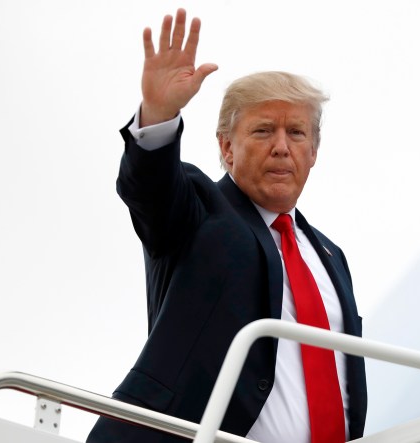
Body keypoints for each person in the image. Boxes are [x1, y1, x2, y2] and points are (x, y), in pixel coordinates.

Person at [87, 8, 366, 443]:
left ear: (314, 151)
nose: (281, 147)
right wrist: (158, 115)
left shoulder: (332, 257)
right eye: (262, 131)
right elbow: (150, 188)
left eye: (296, 133)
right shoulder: (200, 208)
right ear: (226, 146)